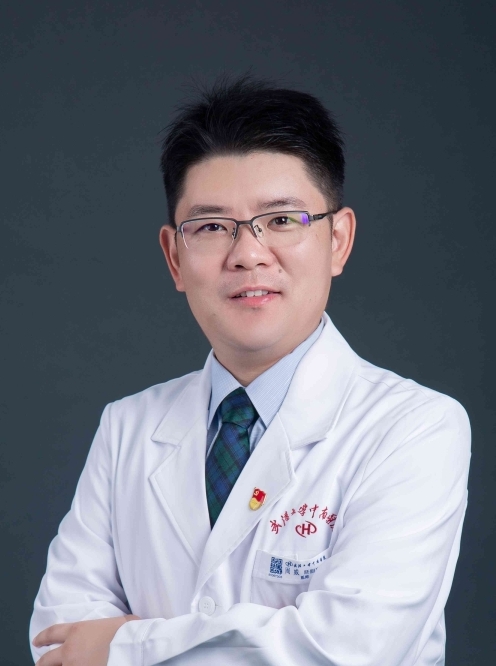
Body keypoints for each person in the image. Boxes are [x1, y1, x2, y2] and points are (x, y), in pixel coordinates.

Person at [29, 76, 471, 666]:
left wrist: (124, 647)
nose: (248, 254)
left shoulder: (414, 427)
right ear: (174, 257)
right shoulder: (127, 427)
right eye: (212, 227)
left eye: (282, 220)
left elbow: (350, 649)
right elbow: (58, 640)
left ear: (338, 241)